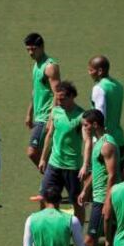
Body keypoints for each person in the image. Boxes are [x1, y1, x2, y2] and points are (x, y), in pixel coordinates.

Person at [72, 109, 121, 246]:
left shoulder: (107, 145)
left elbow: (112, 175)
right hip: (99, 198)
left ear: (94, 125)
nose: (83, 128)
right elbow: (97, 171)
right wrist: (85, 190)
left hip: (104, 200)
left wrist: (107, 202)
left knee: (90, 241)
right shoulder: (99, 143)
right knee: (117, 241)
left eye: (85, 125)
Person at [38, 81, 86, 225]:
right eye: (57, 98)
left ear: (72, 96)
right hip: (54, 164)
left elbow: (87, 140)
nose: (59, 101)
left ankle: (77, 234)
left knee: (77, 202)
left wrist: (86, 164)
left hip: (72, 168)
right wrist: (43, 158)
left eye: (62, 98)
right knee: (43, 197)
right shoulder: (56, 111)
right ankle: (45, 227)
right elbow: (50, 135)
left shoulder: (81, 116)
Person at [24, 33, 60, 175]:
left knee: (32, 152)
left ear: (42, 47)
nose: (30, 53)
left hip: (46, 117)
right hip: (39, 116)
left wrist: (51, 118)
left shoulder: (50, 67)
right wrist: (29, 112)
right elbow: (36, 90)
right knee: (50, 153)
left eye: (33, 49)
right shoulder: (36, 65)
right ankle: (53, 183)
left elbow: (58, 94)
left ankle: (52, 181)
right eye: (28, 50)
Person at [86, 55, 124, 161]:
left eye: (91, 70)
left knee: (100, 176)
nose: (89, 73)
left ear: (99, 71)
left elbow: (99, 117)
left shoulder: (99, 88)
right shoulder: (118, 86)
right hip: (119, 138)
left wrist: (96, 142)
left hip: (104, 142)